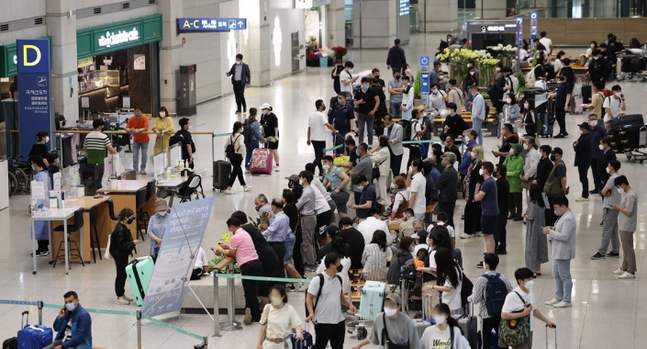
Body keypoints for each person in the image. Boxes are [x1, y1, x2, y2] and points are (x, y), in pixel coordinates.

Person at [216, 218, 264, 324]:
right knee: (252, 291)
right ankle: (250, 311)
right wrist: (227, 247)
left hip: (248, 266)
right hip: (256, 263)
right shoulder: (245, 233)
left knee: (249, 293)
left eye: (230, 229)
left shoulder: (235, 236)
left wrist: (222, 251)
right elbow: (240, 247)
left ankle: (257, 316)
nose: (230, 231)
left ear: (232, 227)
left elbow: (232, 253)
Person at [306, 252, 357, 349]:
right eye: (338, 263)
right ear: (332, 265)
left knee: (338, 346)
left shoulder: (338, 279)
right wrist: (311, 313)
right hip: (323, 321)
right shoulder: (318, 280)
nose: (340, 265)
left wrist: (349, 305)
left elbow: (339, 295)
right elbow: (309, 297)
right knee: (320, 346)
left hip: (339, 321)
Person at [501, 268, 556, 349]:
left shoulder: (529, 291)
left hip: (528, 329)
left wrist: (547, 321)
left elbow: (533, 310)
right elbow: (504, 315)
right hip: (517, 331)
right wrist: (523, 313)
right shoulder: (512, 296)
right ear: (520, 281)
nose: (531, 281)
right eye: (529, 279)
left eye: (532, 278)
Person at [468, 253, 513, 349]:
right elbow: (510, 293)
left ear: (487, 264)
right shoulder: (502, 277)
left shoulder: (481, 279)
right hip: (501, 314)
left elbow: (475, 299)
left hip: (486, 315)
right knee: (502, 341)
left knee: (485, 342)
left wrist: (468, 298)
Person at [232, 211, 279, 300]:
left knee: (262, 286)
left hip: (265, 259)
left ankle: (266, 308)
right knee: (265, 285)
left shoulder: (244, 230)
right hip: (270, 256)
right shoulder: (250, 227)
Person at [353, 293, 421, 349]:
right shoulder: (379, 318)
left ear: (398, 307)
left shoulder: (407, 322)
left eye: (391, 305)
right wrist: (359, 345)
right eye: (386, 305)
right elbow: (372, 337)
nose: (388, 307)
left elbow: (415, 344)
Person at [543, 195, 575, 308]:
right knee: (556, 273)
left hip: (564, 251)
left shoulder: (568, 218)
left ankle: (567, 299)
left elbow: (565, 236)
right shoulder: (563, 216)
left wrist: (550, 232)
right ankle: (558, 296)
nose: (555, 210)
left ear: (563, 206)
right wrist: (551, 229)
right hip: (557, 251)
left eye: (556, 208)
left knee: (565, 276)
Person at [109, 208, 140, 305]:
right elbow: (121, 245)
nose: (132, 220)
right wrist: (133, 243)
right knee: (121, 275)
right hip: (119, 255)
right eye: (131, 218)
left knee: (123, 274)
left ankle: (122, 294)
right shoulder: (120, 229)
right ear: (126, 218)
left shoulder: (122, 226)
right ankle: (119, 296)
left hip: (121, 254)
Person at [257, 285, 303, 349]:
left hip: (284, 344)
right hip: (269, 344)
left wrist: (298, 333)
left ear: (282, 297)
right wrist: (259, 344)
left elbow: (297, 324)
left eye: (276, 296)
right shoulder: (268, 308)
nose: (273, 298)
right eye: (272, 295)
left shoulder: (289, 309)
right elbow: (262, 327)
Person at [611, 175, 638, 279]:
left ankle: (631, 271)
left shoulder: (631, 196)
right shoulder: (628, 194)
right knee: (625, 248)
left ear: (623, 184)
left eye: (618, 187)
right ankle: (624, 267)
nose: (619, 189)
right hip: (623, 224)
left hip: (627, 225)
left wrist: (618, 207)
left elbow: (629, 212)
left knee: (628, 249)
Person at [423, 247, 463, 315]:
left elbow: (448, 288)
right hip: (453, 302)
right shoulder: (455, 266)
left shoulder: (451, 271)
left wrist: (432, 286)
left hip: (451, 304)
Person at [473, 161, 499, 267]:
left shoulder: (488, 183)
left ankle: (488, 259)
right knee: (490, 236)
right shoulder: (491, 182)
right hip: (492, 211)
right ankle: (491, 257)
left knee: (487, 236)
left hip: (488, 213)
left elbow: (477, 197)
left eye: (482, 168)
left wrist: (476, 187)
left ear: (486, 170)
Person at [83, 119, 117, 194]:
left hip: (90, 161)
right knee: (99, 180)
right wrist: (115, 150)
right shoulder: (103, 137)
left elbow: (84, 148)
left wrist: (90, 154)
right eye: (102, 125)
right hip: (100, 161)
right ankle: (99, 194)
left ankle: (91, 194)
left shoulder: (88, 136)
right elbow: (110, 149)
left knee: (93, 179)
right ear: (99, 127)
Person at [523, 184, 548, 277]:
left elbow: (530, 217)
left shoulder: (532, 204)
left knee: (531, 248)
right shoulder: (542, 203)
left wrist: (524, 215)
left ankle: (532, 270)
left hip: (533, 229)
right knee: (539, 248)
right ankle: (538, 269)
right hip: (541, 228)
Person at [30, 156, 52, 256]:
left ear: (34, 164)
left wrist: (32, 205)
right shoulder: (46, 175)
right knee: (44, 227)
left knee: (39, 227)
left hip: (40, 205)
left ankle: (42, 248)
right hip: (47, 204)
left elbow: (36, 194)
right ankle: (45, 247)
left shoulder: (38, 177)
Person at [308, 99, 337, 175]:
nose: (324, 106)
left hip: (313, 139)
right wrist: (334, 130)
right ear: (320, 106)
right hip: (320, 139)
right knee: (321, 156)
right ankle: (311, 168)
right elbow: (327, 124)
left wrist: (308, 138)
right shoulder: (321, 115)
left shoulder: (311, 115)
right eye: (323, 105)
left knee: (317, 155)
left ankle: (321, 171)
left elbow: (309, 128)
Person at [296, 171, 318, 271]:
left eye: (300, 177)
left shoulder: (307, 192)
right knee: (310, 240)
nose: (300, 179)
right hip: (310, 217)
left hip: (307, 218)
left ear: (304, 179)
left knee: (307, 241)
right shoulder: (308, 190)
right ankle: (312, 261)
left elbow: (298, 206)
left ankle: (311, 264)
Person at [460, 145, 483, 239]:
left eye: (474, 151)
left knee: (470, 211)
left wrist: (475, 194)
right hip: (470, 188)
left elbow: (478, 181)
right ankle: (477, 229)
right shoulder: (473, 163)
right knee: (476, 210)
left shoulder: (479, 165)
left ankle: (470, 231)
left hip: (474, 191)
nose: (472, 153)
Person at [262, 199, 290, 275]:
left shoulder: (278, 219)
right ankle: (280, 284)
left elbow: (270, 231)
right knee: (279, 266)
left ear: (274, 207)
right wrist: (270, 218)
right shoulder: (285, 217)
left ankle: (277, 284)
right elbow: (276, 228)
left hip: (275, 245)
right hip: (280, 244)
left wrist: (258, 236)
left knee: (275, 267)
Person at [224, 121, 251, 194]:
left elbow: (225, 145)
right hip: (238, 156)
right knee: (235, 171)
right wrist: (243, 153)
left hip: (231, 156)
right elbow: (242, 145)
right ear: (239, 128)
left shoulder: (230, 136)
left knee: (238, 170)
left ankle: (244, 186)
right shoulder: (240, 136)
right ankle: (229, 188)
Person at [543, 147, 568, 226]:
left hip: (555, 192)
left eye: (555, 154)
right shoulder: (557, 165)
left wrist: (564, 189)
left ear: (560, 156)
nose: (553, 156)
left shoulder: (559, 166)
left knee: (554, 213)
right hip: (553, 191)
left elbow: (563, 179)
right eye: (552, 154)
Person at [354, 77, 379, 145]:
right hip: (361, 113)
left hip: (370, 113)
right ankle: (360, 144)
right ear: (362, 83)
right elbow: (355, 102)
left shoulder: (372, 91)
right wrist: (359, 101)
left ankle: (370, 144)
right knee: (361, 130)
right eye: (365, 83)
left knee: (370, 130)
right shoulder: (358, 92)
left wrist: (374, 110)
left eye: (368, 83)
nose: (367, 84)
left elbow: (377, 100)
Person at [436, 152, 458, 227]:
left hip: (446, 199)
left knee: (446, 218)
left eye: (444, 159)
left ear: (447, 161)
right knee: (449, 218)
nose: (443, 160)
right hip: (450, 197)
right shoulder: (453, 171)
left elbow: (437, 183)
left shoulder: (447, 172)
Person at [587, 113, 607, 194]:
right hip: (591, 155)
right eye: (591, 119)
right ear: (588, 121)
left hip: (600, 154)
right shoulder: (588, 130)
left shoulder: (601, 129)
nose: (593, 121)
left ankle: (602, 187)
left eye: (594, 119)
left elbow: (606, 139)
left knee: (600, 172)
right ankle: (596, 187)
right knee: (594, 171)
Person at [368, 136, 391, 207]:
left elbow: (376, 159)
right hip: (381, 170)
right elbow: (374, 155)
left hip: (383, 170)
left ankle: (384, 200)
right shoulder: (382, 149)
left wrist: (368, 156)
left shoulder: (384, 150)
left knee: (382, 185)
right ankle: (382, 198)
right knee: (380, 185)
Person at [126, 108, 150, 175]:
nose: (137, 112)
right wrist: (129, 130)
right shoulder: (131, 119)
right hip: (136, 140)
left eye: (138, 111)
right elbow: (127, 127)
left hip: (145, 140)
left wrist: (137, 130)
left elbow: (145, 128)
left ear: (141, 112)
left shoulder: (145, 118)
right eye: (135, 111)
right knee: (135, 155)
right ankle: (135, 169)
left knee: (144, 155)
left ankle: (143, 168)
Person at [493, 164, 510, 255]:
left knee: (497, 229)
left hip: (500, 209)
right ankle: (502, 247)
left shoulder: (500, 183)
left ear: (499, 172)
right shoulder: (503, 182)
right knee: (502, 229)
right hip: (503, 209)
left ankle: (494, 247)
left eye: (496, 170)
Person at [504, 143, 524, 221]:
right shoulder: (509, 157)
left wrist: (507, 173)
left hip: (515, 183)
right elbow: (504, 165)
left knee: (517, 201)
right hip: (508, 182)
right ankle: (512, 213)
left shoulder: (520, 160)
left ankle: (519, 214)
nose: (511, 149)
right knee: (510, 200)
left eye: (513, 148)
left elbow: (517, 172)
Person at [573, 122, 592, 202]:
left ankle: (585, 195)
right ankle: (585, 193)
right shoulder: (584, 136)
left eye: (581, 128)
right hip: (584, 160)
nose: (580, 130)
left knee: (583, 177)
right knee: (583, 177)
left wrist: (575, 145)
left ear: (585, 129)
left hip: (583, 161)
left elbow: (576, 147)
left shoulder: (585, 138)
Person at [260, 103, 280, 171]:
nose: (262, 110)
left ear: (268, 109)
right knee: (267, 150)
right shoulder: (263, 115)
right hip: (266, 135)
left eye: (263, 109)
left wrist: (276, 135)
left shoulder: (273, 117)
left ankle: (277, 164)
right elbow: (261, 123)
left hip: (273, 135)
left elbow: (275, 127)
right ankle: (268, 164)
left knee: (273, 150)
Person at [521, 137, 540, 202]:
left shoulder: (533, 153)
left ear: (531, 144)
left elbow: (534, 167)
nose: (524, 144)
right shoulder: (529, 153)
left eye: (526, 142)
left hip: (531, 179)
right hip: (529, 178)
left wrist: (526, 176)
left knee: (530, 198)